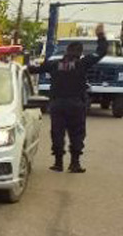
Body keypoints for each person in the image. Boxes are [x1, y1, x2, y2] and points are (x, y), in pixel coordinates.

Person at [27, 23, 107, 172]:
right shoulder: (82, 63)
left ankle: (58, 163)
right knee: (77, 133)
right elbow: (101, 52)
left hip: (57, 104)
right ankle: (74, 164)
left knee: (57, 133)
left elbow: (33, 69)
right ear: (80, 53)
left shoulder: (53, 64)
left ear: (66, 51)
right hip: (76, 104)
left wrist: (19, 61)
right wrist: (100, 35)